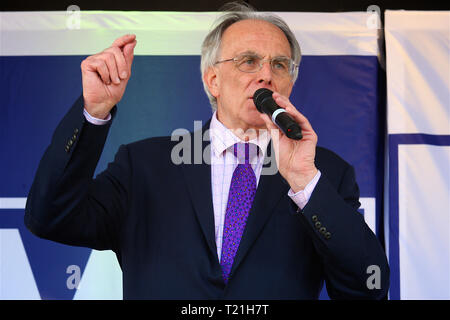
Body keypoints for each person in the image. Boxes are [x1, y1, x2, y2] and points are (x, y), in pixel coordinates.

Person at [25, 3, 389, 299]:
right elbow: (49, 217)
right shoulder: (145, 166)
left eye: (280, 65)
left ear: (290, 81)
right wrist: (93, 111)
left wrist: (305, 183)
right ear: (212, 79)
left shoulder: (325, 173)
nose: (266, 75)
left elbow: (368, 286)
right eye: (248, 61)